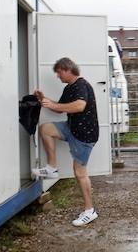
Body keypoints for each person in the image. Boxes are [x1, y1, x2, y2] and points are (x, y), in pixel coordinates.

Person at [33, 57, 100, 227]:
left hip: (84, 135)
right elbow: (59, 109)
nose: (58, 76)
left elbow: (79, 106)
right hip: (71, 128)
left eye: (59, 73)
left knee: (79, 172)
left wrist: (53, 106)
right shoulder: (69, 87)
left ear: (67, 69)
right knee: (45, 129)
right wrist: (45, 100)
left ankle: (89, 211)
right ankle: (52, 168)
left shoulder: (81, 85)